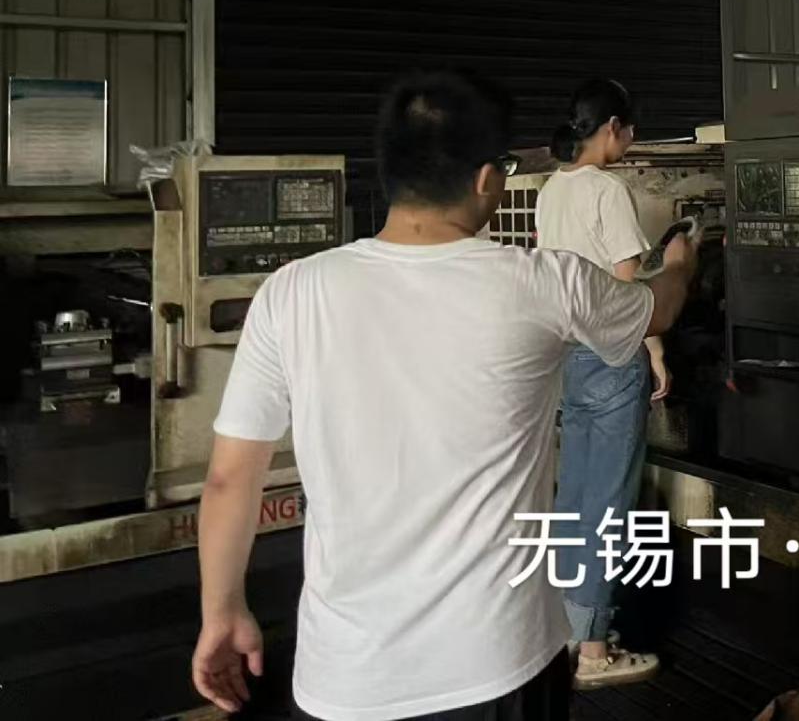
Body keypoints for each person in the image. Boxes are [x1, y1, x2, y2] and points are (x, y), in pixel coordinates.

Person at [190, 69, 697, 721]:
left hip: (343, 679)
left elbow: (229, 480)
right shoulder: (542, 284)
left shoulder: (290, 293)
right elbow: (659, 307)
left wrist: (222, 611)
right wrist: (681, 259)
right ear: (486, 179)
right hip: (501, 665)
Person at [533, 78, 671, 690]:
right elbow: (627, 291)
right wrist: (657, 351)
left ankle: (567, 630)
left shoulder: (551, 190)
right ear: (612, 127)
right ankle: (594, 652)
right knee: (610, 506)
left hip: (566, 357)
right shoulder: (608, 191)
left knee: (575, 496)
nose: (632, 140)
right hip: (612, 358)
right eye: (630, 129)